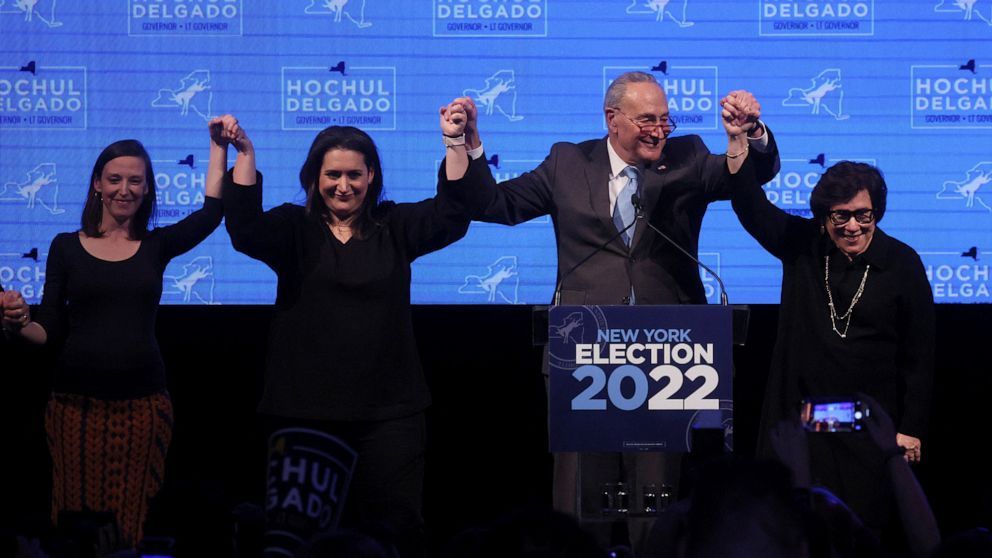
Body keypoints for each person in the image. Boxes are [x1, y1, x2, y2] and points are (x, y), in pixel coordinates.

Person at [450, 71, 782, 518]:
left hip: (669, 357)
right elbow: (493, 205)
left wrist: (750, 135)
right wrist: (466, 146)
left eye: (666, 121)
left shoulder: (689, 157)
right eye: (648, 120)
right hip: (584, 352)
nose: (660, 131)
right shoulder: (567, 162)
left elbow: (750, 176)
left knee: (657, 496)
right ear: (613, 119)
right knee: (582, 499)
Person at [221, 101, 484, 557]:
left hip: (389, 417)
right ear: (314, 179)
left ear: (372, 178)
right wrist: (244, 154)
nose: (343, 186)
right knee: (296, 539)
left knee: (396, 533)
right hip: (304, 414)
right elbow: (244, 229)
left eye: (354, 176)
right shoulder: (292, 228)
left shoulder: (395, 226)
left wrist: (455, 140)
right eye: (332, 176)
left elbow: (452, 215)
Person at [0, 117, 238, 547]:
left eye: (135, 180)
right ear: (97, 184)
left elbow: (211, 211)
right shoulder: (65, 247)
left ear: (147, 188)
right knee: (72, 523)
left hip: (143, 406)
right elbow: (47, 330)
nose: (124, 189)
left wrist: (218, 145)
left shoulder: (156, 246)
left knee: (130, 523)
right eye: (114, 179)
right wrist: (17, 325)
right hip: (74, 404)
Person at [730, 160, 936, 547]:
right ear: (824, 215)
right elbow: (751, 207)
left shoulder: (902, 263)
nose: (853, 226)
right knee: (795, 531)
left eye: (864, 215)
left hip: (868, 430)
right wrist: (740, 143)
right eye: (841, 216)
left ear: (877, 212)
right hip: (802, 424)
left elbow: (919, 357)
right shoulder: (803, 246)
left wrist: (911, 430)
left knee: (860, 533)